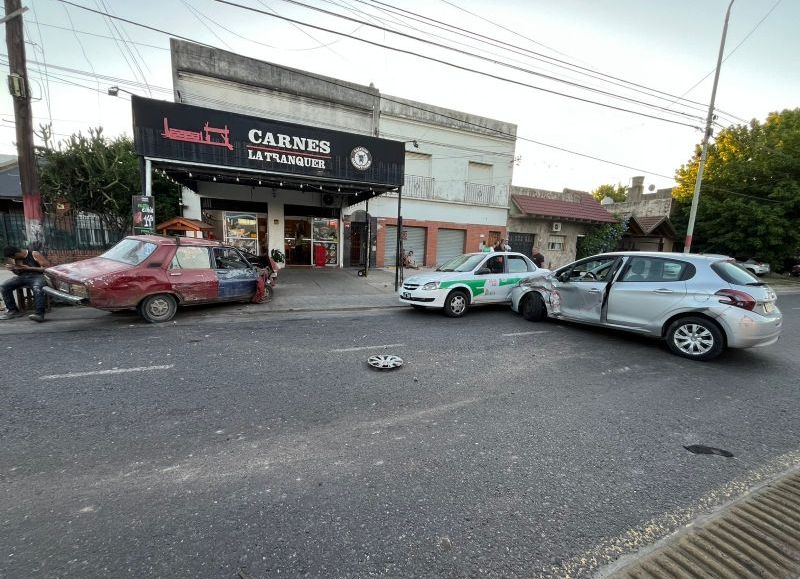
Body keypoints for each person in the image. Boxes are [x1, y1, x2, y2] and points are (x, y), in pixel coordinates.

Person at [1, 245, 51, 322]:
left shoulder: (34, 254)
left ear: (17, 253)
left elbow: (47, 268)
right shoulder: (16, 259)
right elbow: (18, 273)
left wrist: (29, 268)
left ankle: (39, 314)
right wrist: (13, 269)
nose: (13, 259)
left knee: (37, 288)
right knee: (4, 286)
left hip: (37, 276)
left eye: (13, 257)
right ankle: (13, 310)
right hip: (22, 277)